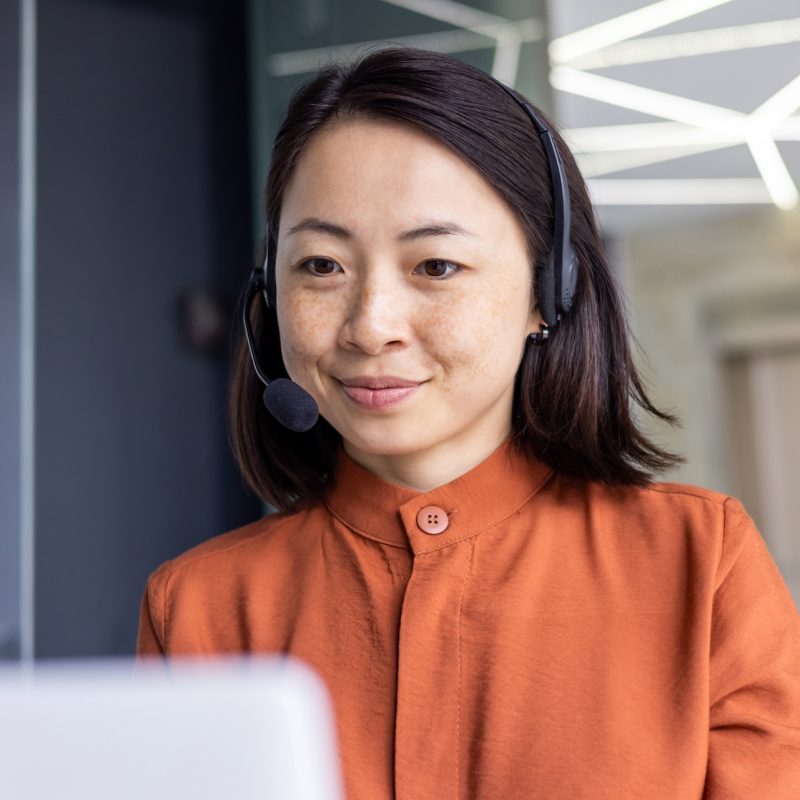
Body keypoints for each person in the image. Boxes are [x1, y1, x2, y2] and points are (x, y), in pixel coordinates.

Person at [136, 47, 800, 798]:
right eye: (321, 265)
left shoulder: (698, 562)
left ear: (549, 293)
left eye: (435, 266)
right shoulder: (199, 608)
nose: (370, 325)